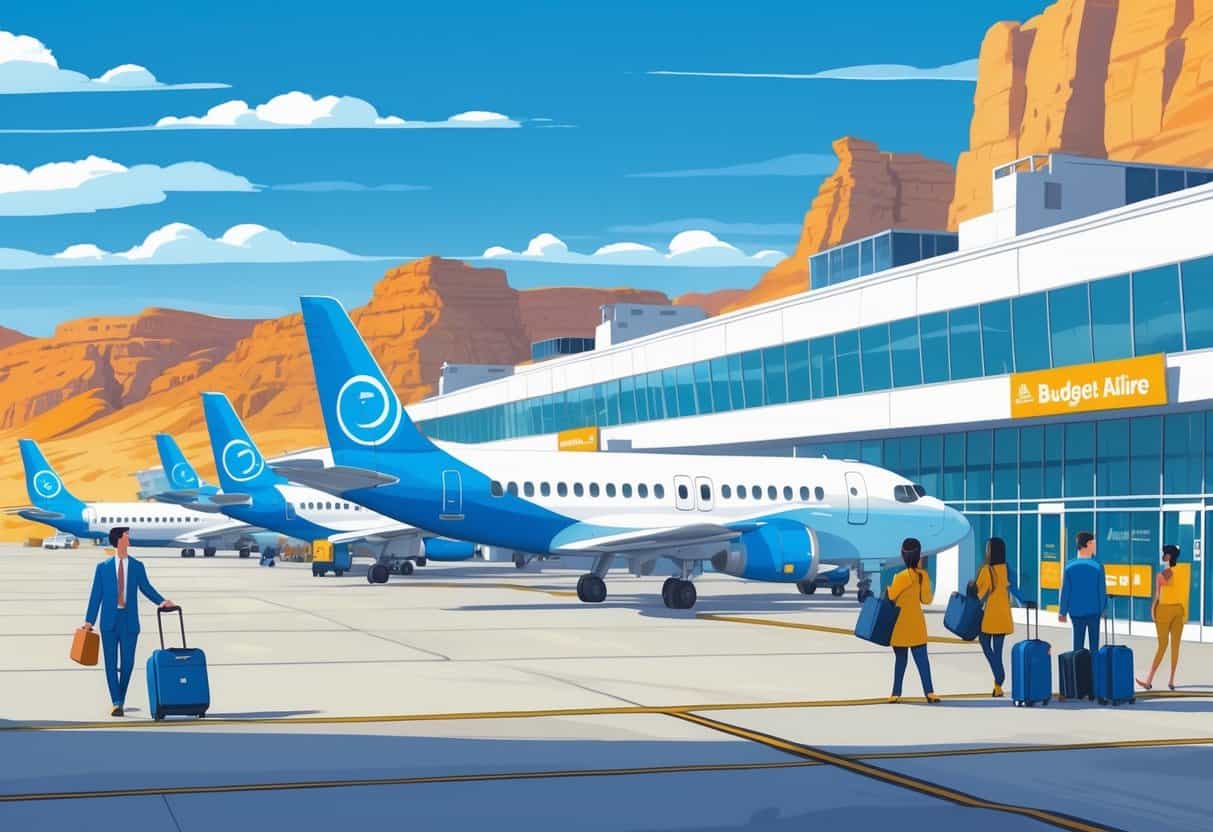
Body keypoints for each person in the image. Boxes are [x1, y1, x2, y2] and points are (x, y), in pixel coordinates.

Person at [82, 527, 174, 716]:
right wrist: (89, 621)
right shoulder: (103, 568)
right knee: (110, 663)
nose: (129, 538)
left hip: (129, 621)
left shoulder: (137, 566)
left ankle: (120, 698)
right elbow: (96, 596)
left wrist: (162, 601)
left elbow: (146, 588)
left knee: (128, 663)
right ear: (119, 540)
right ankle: (116, 702)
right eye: (126, 535)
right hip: (109, 621)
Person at [887, 537, 939, 704]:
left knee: (900, 661)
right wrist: (923, 575)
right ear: (919, 556)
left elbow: (891, 596)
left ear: (903, 555)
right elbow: (927, 600)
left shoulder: (900, 577)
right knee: (923, 661)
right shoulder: (923, 576)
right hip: (917, 625)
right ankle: (930, 692)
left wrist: (888, 588)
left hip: (899, 625)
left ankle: (896, 693)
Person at [973, 537, 1025, 698]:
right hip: (1003, 614)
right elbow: (1014, 588)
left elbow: (978, 594)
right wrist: (1024, 602)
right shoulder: (1006, 568)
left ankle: (999, 672)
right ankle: (998, 686)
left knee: (984, 642)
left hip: (990, 614)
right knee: (998, 649)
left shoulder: (986, 570)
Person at [1137, 545, 1188, 692]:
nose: (1163, 556)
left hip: (1164, 610)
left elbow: (1158, 596)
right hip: (1179, 609)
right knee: (1175, 646)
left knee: (1162, 645)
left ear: (1169, 556)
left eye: (1164, 554)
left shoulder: (1163, 574)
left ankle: (1148, 681)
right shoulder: (1183, 571)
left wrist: (1153, 610)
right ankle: (1171, 680)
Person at [1058, 531, 1106, 653]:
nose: (1095, 546)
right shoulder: (1098, 566)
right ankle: (1094, 664)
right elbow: (1101, 591)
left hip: (1076, 611)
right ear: (1087, 544)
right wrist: (1103, 609)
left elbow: (1065, 591)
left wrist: (1062, 612)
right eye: (1093, 543)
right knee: (1094, 645)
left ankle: (1078, 664)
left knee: (1077, 645)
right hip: (1094, 611)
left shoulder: (1069, 566)